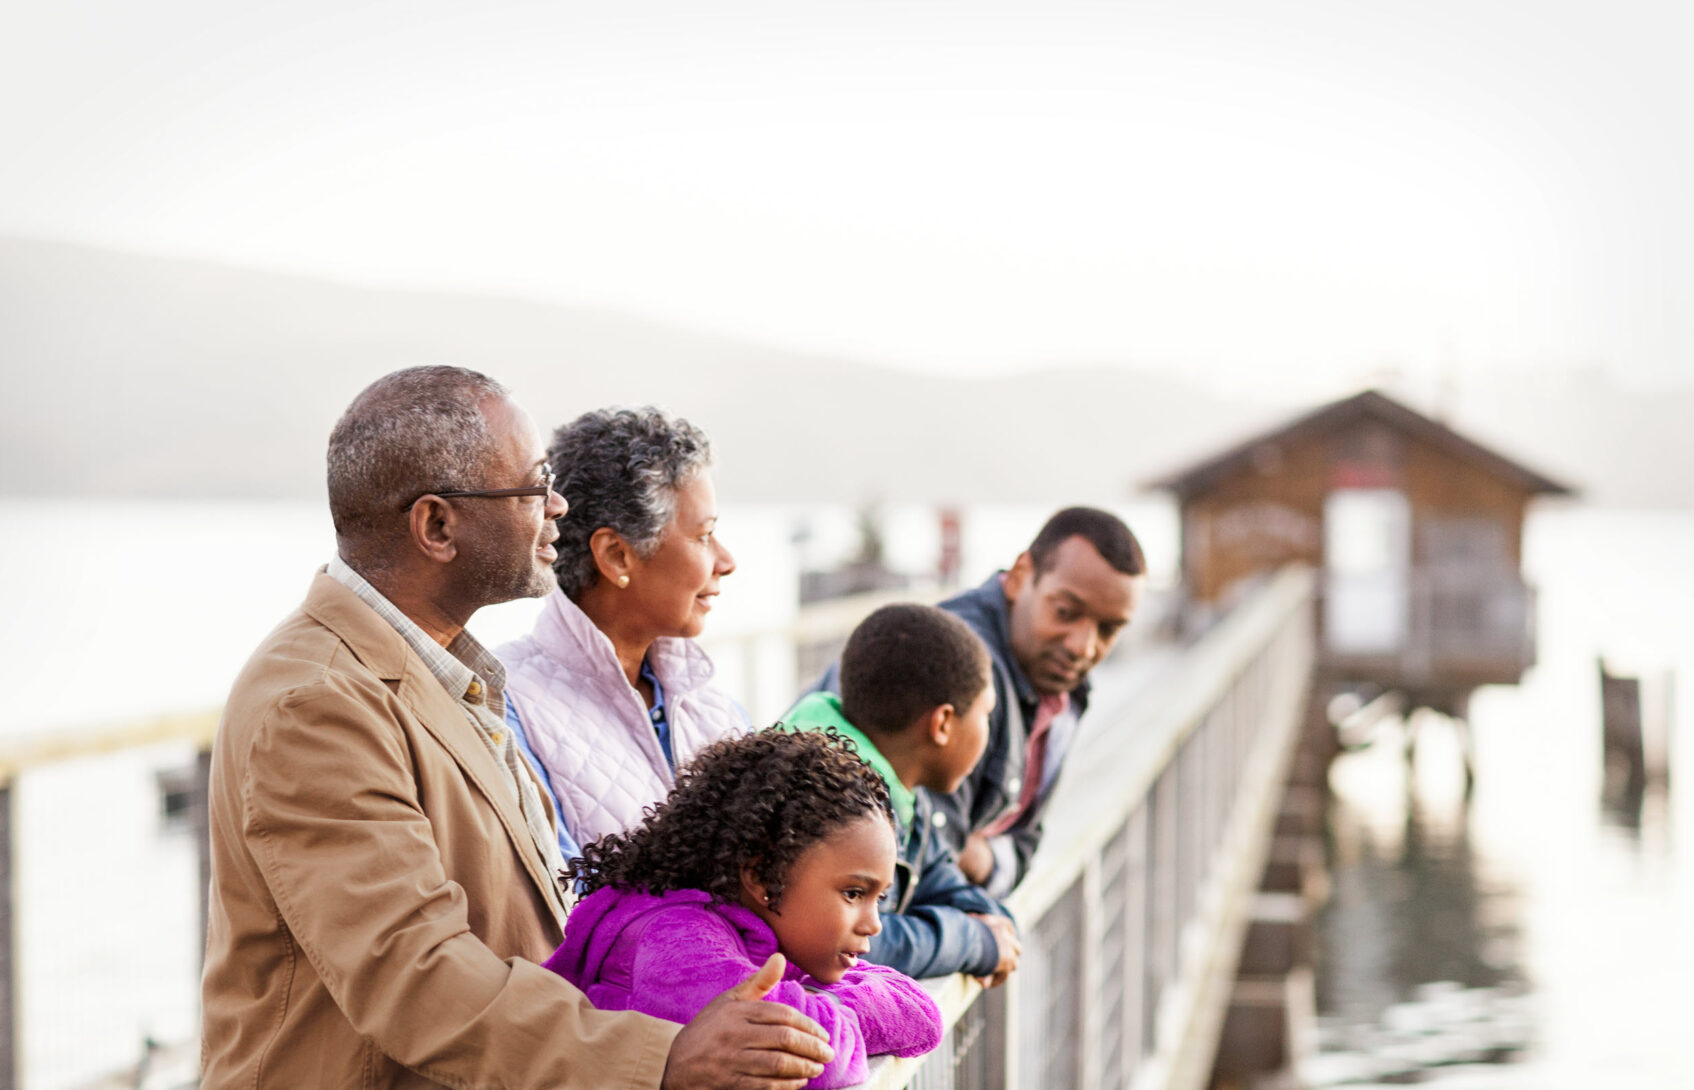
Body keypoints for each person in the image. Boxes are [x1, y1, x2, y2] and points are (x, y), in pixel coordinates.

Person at [201, 366, 833, 1090]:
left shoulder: (444, 671)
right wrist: (662, 1058)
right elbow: (413, 975)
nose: (557, 506)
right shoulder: (316, 704)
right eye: (533, 487)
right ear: (437, 525)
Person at [549, 730, 944, 1090]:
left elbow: (923, 1015)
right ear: (761, 876)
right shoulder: (674, 941)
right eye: (854, 893)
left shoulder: (765, 935)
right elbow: (816, 1059)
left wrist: (820, 999)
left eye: (880, 898)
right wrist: (826, 1002)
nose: (874, 924)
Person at [499, 407, 745, 853]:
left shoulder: (716, 709)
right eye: (704, 535)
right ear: (616, 556)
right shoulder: (507, 707)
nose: (727, 562)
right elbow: (557, 901)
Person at [780, 604, 1022, 985]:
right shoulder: (829, 800)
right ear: (942, 723)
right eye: (985, 715)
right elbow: (852, 941)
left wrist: (997, 928)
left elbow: (943, 880)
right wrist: (973, 941)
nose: (989, 733)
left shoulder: (905, 793)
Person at [938, 507, 1147, 897]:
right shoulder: (956, 666)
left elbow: (1024, 844)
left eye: (1109, 629)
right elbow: (929, 856)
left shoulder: (1066, 689)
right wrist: (982, 934)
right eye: (1066, 612)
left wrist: (982, 859)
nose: (1082, 647)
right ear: (1020, 577)